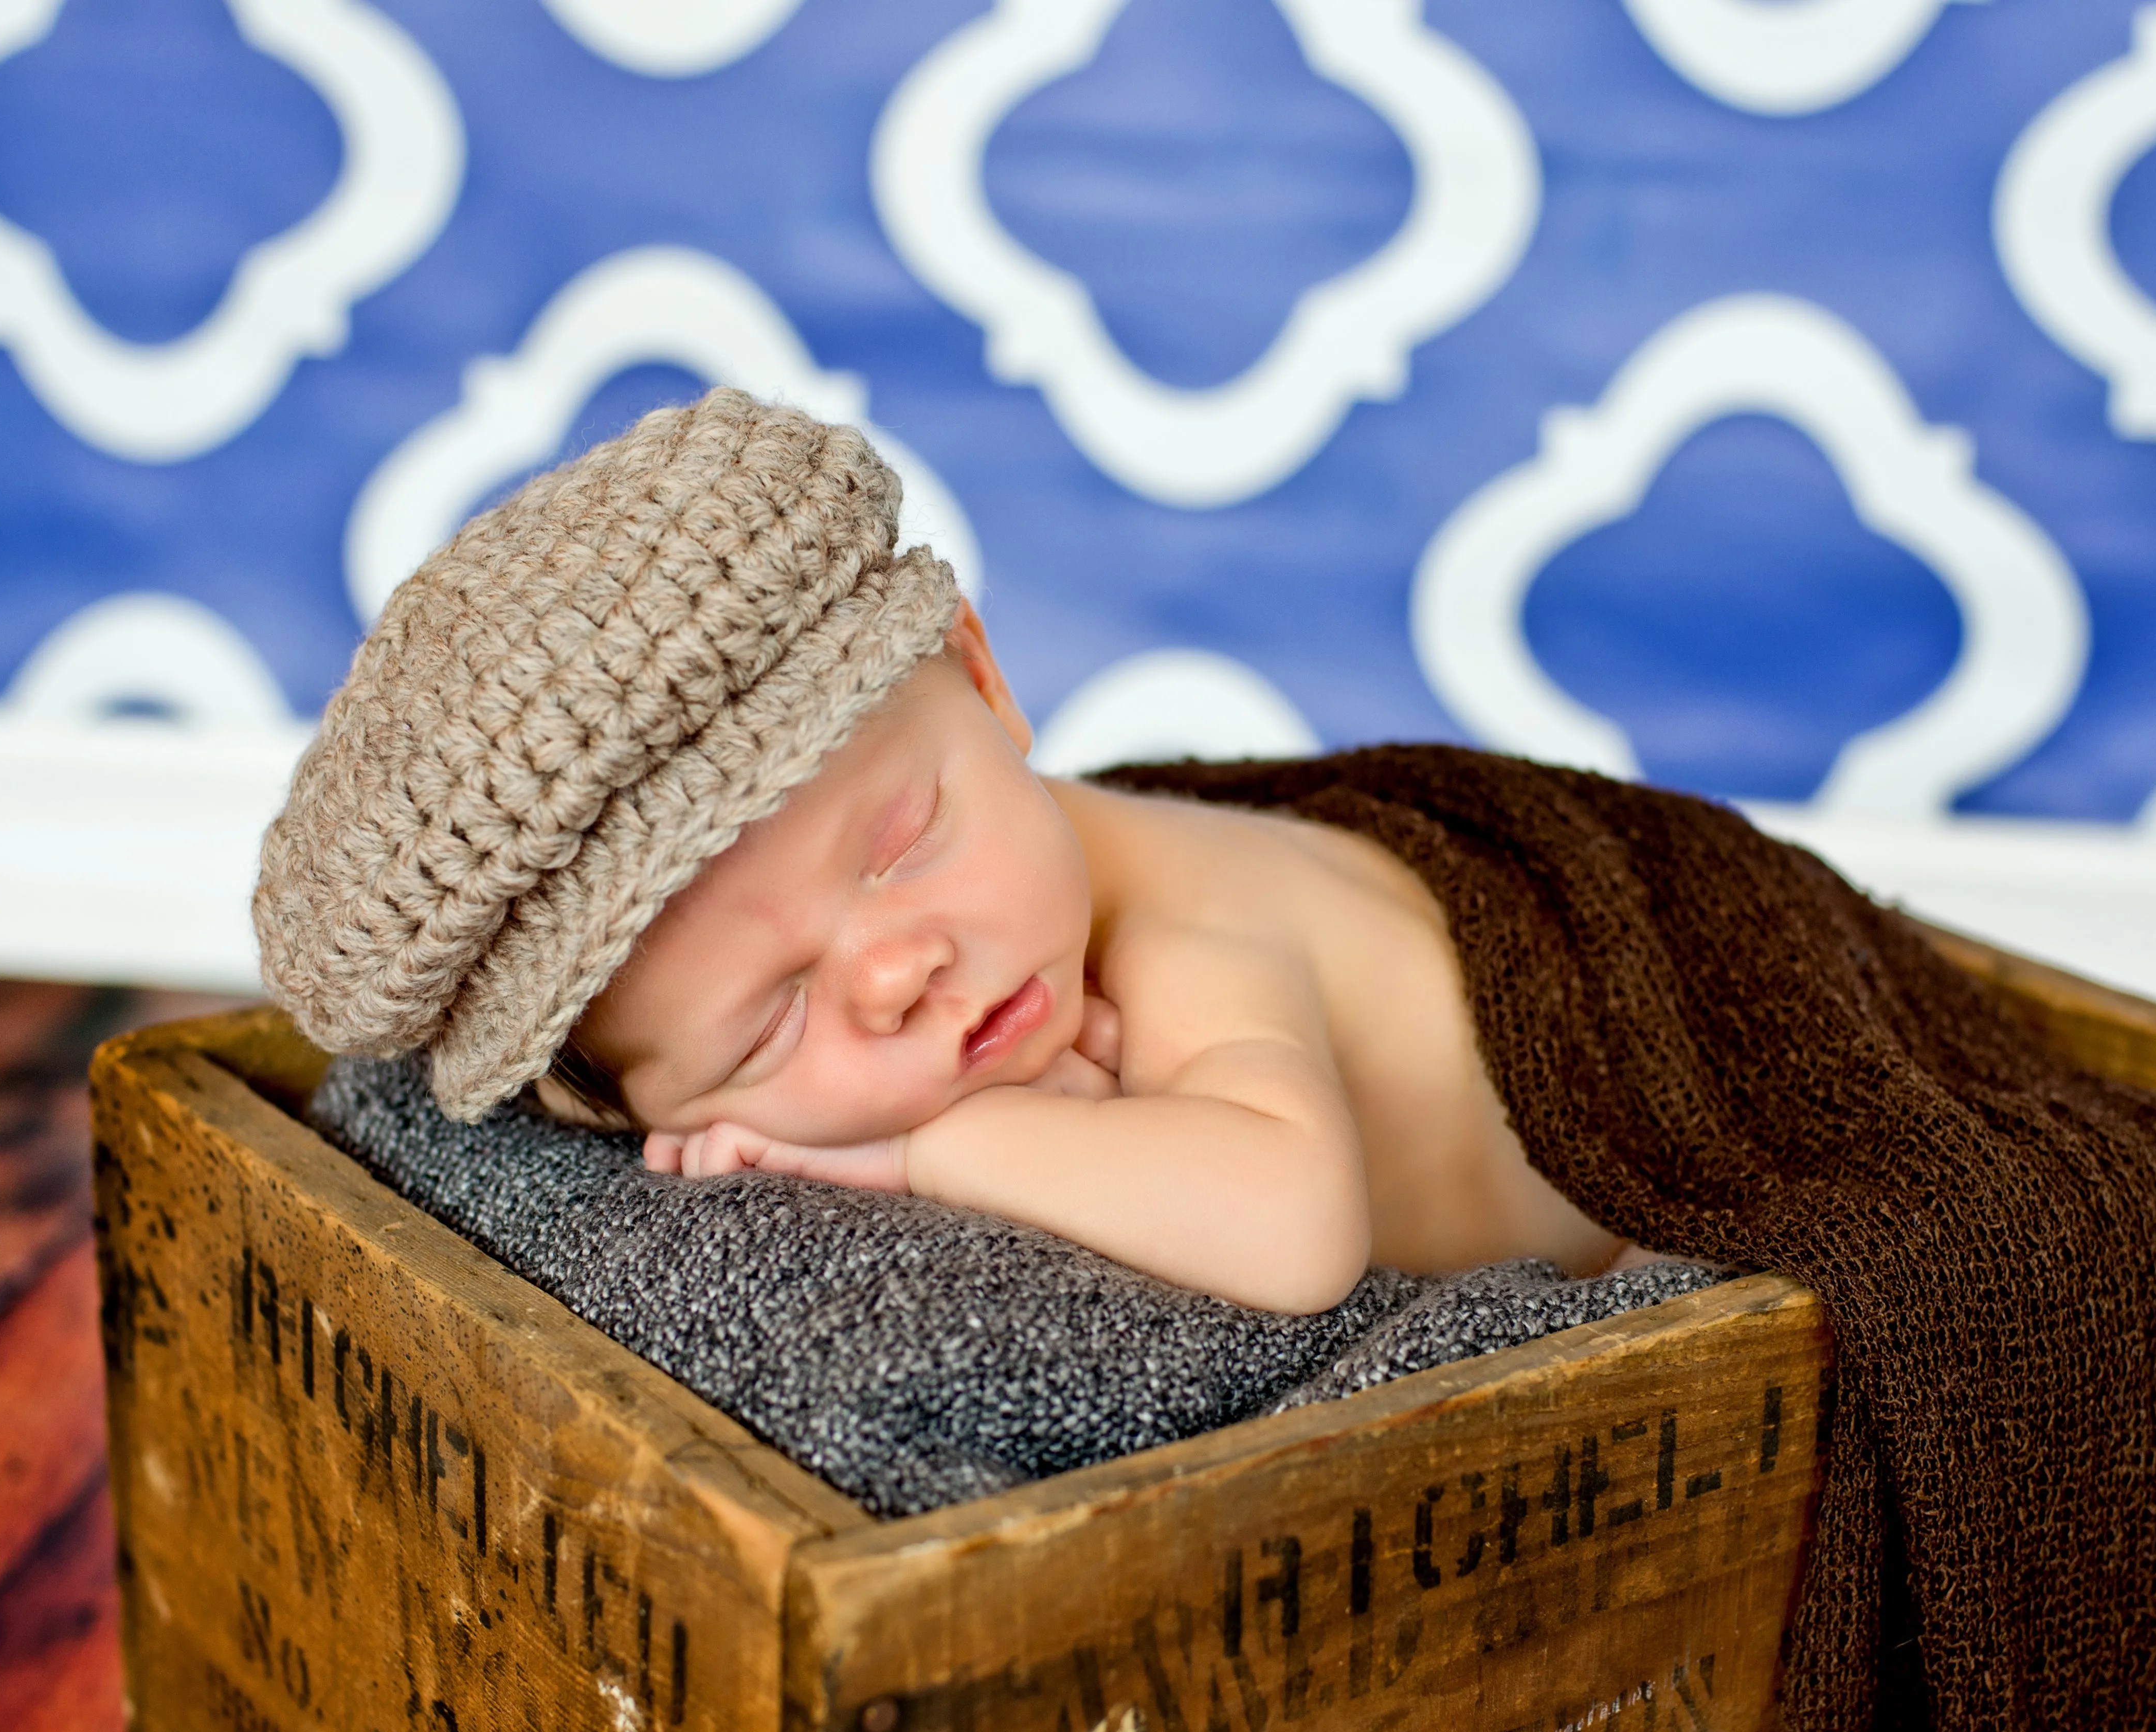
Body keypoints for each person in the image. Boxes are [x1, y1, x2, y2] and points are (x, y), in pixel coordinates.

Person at [255, 389, 1638, 1312]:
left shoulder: (1177, 929)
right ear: (635, 1120)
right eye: (772, 1021)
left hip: (1616, 1154)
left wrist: (942, 1147)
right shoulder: (987, 940)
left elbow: (1294, 1235)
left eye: (902, 846)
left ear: (984, 681)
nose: (897, 974)